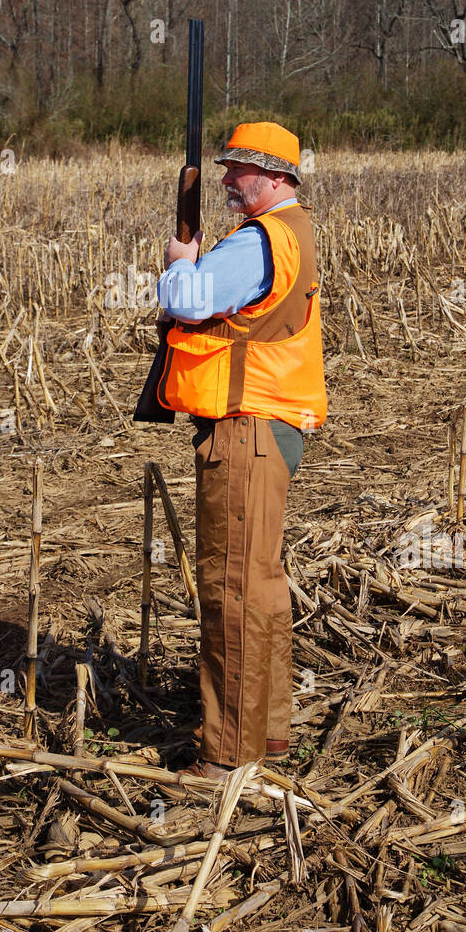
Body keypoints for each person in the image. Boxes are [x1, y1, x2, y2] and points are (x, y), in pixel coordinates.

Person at [155, 122, 327, 778]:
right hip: (272, 429)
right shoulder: (296, 233)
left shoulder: (261, 241)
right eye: (225, 167)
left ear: (279, 178)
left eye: (241, 171)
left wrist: (180, 261)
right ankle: (269, 738)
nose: (227, 179)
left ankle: (227, 758)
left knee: (231, 590)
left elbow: (191, 302)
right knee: (262, 587)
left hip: (245, 430)